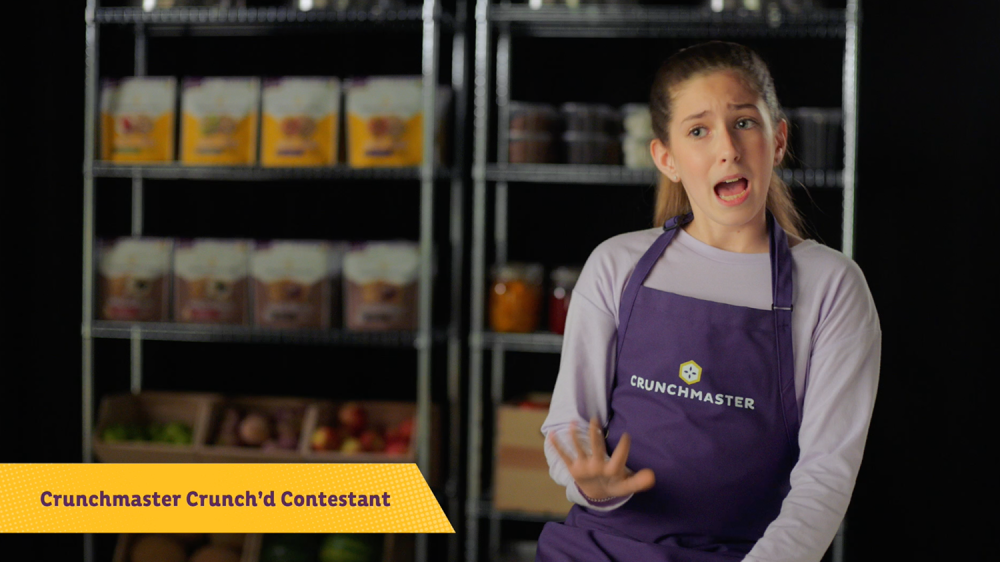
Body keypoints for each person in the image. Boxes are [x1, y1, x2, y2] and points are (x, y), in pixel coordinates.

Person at [535, 41, 881, 562]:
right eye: (698, 130)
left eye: (744, 122)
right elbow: (569, 426)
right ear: (667, 158)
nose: (728, 148)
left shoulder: (832, 286)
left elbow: (826, 475)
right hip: (598, 548)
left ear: (778, 138)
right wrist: (594, 486)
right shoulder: (616, 265)